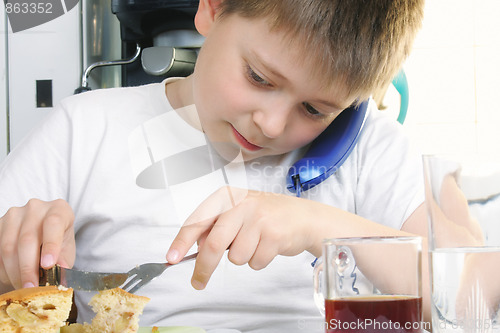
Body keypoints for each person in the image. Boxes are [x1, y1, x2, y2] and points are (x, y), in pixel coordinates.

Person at [0, 0, 438, 331]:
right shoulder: (85, 129)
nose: (271, 124)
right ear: (212, 8)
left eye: (314, 109)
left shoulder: (369, 147)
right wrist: (11, 257)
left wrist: (316, 226)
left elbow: (470, 290)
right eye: (259, 78)